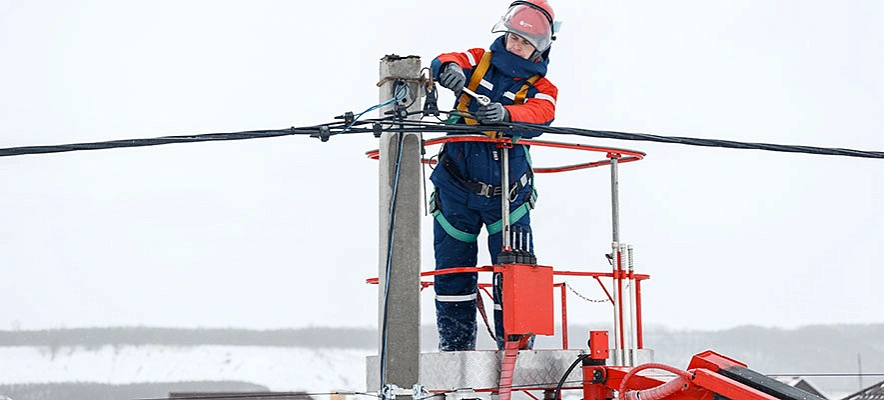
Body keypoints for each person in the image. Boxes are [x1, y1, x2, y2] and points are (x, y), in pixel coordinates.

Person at [429, 0, 559, 351]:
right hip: (455, 191)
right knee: (452, 274)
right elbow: (445, 59)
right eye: (513, 37)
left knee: (515, 279)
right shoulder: (478, 60)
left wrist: (505, 113)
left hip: (509, 199)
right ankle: (455, 350)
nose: (516, 45)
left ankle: (515, 351)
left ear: (539, 48)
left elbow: (541, 114)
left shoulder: (542, 87)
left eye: (524, 42)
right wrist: (448, 70)